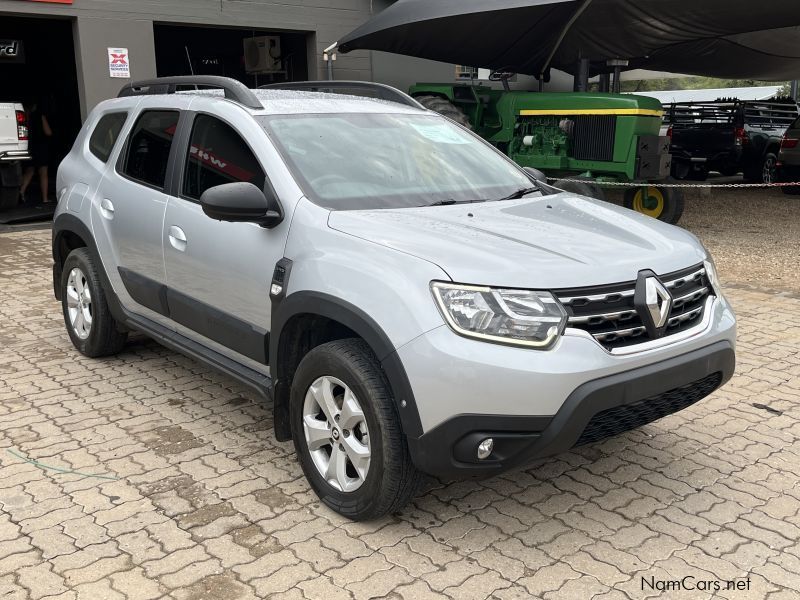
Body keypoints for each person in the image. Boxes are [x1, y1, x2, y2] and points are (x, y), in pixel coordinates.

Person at [20, 99, 54, 205]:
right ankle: (44, 198)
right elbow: (48, 132)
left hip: (29, 146)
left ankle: (21, 191)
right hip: (41, 146)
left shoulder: (24, 115)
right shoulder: (39, 116)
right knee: (43, 173)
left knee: (29, 171)